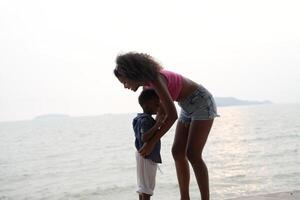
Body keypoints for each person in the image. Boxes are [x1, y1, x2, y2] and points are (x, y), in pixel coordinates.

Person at [114, 52, 219, 200]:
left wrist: (153, 143)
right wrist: (148, 142)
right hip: (186, 105)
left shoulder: (156, 79)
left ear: (132, 73)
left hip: (201, 102)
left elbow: (172, 115)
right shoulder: (148, 87)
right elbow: (161, 115)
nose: (125, 86)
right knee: (177, 151)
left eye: (124, 82)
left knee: (193, 154)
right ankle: (185, 198)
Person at [133, 89, 163, 200]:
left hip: (141, 155)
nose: (158, 105)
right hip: (147, 156)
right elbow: (144, 137)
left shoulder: (139, 118)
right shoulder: (146, 120)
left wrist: (155, 123)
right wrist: (157, 125)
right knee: (147, 189)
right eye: (156, 103)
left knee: (143, 187)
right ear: (146, 105)